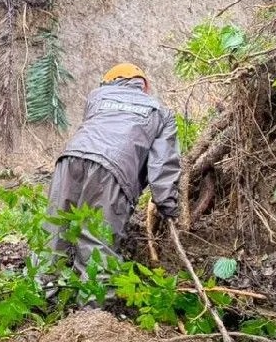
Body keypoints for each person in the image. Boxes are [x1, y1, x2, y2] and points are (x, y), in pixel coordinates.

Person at [46, 62, 181, 269]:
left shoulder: (96, 97)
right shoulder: (160, 112)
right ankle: (91, 301)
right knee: (97, 243)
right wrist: (167, 205)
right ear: (143, 86)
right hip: (112, 170)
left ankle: (41, 291)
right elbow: (162, 164)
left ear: (109, 83)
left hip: (69, 160)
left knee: (54, 233)